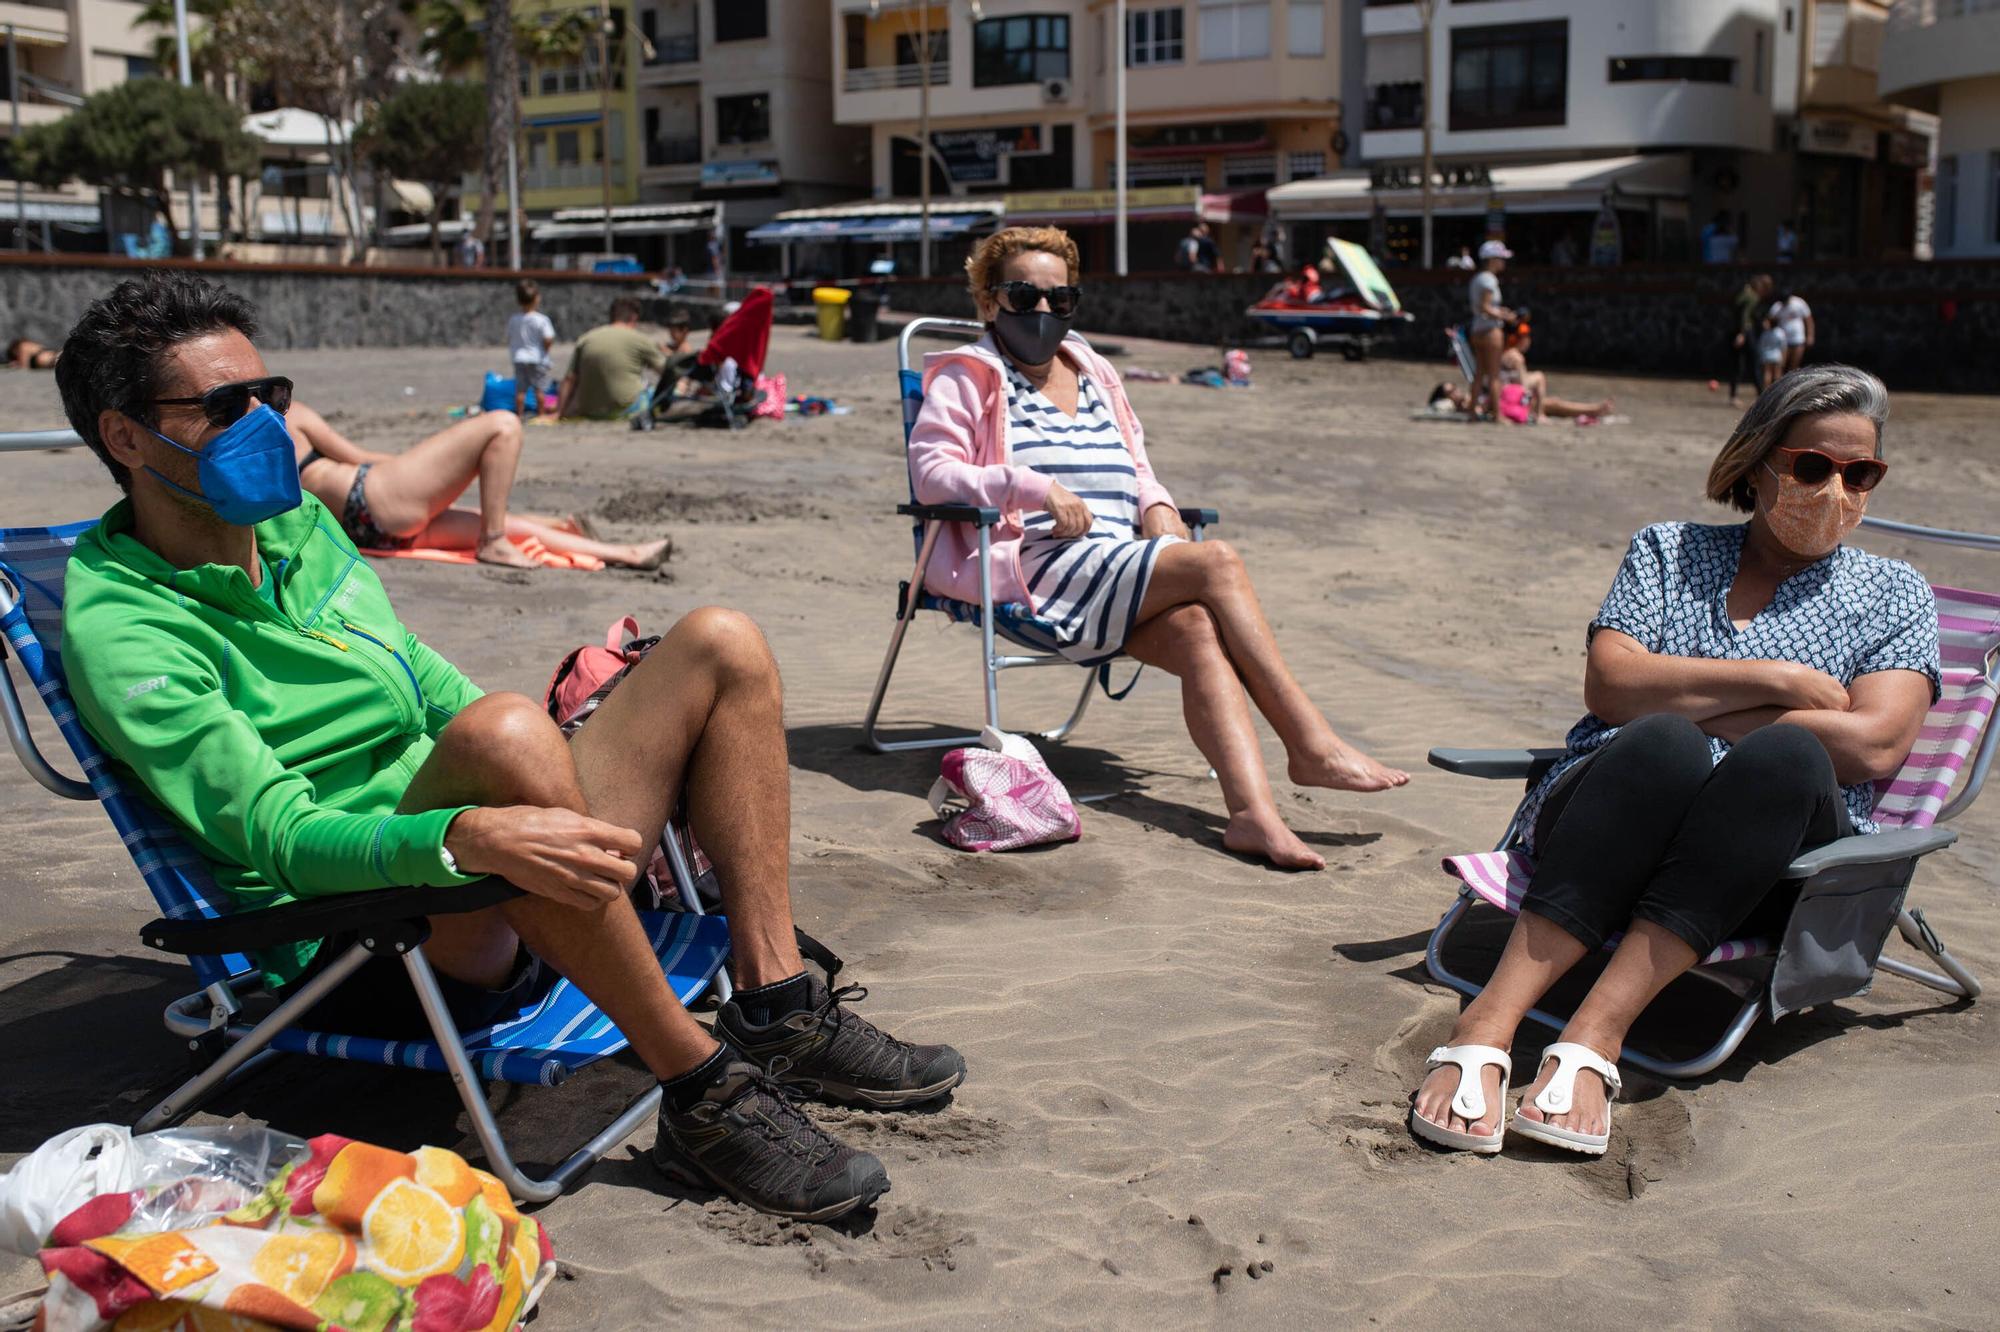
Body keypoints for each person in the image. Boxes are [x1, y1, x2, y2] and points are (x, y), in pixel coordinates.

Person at [53, 273, 965, 1221]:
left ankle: (777, 1008)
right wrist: (464, 838)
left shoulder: (297, 527)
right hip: (362, 938)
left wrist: (544, 779)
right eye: (224, 407)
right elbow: (276, 834)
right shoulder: (123, 627)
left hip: (490, 859)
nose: (265, 426)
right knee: (501, 730)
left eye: (269, 397)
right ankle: (704, 1091)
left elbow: (421, 681)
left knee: (718, 642)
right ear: (126, 435)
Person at [1409, 365, 1936, 1157]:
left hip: (1764, 866)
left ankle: (1595, 1035)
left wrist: (1691, 695)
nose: (1838, 490)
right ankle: (1486, 1020)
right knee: (1664, 743)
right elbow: (1613, 686)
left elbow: (1873, 744)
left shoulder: (1896, 594)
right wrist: (1779, 682)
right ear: (1758, 462)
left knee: (1786, 756)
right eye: (1812, 466)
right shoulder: (1667, 551)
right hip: (1607, 819)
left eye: (1861, 472)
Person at [908, 227, 1408, 871]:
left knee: (1199, 626)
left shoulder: (1094, 368)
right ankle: (1310, 742)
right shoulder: (970, 375)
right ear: (986, 301)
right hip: (1038, 567)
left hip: (1117, 564)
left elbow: (1138, 464)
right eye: (1022, 296)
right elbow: (932, 474)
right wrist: (1032, 487)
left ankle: (1253, 817)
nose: (1042, 313)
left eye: (1059, 301)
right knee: (1217, 560)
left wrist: (1158, 506)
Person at [289, 401, 670, 569]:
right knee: (503, 425)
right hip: (376, 497)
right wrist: (420, 468)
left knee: (512, 525)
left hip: (366, 532)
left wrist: (418, 469)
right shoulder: (287, 413)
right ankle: (494, 543)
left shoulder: (241, 437)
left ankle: (627, 553)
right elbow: (357, 457)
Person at [557, 296, 668, 420]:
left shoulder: (586, 338)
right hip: (625, 409)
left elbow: (569, 379)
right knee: (653, 390)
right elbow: (667, 371)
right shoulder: (640, 339)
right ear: (634, 317)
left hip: (590, 411)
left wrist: (560, 413)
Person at [1498, 326, 1614, 424]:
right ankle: (1592, 410)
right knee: (1552, 399)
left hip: (1505, 399)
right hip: (1512, 402)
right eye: (1526, 337)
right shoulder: (1516, 357)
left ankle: (1593, 409)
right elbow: (1524, 386)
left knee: (1554, 403)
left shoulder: (1504, 353)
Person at [1467, 240, 1515, 423]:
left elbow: (1481, 308)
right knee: (1494, 375)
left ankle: (1472, 412)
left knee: (1479, 373)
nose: (1503, 262)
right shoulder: (1489, 279)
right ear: (1492, 259)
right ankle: (1498, 415)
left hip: (1477, 329)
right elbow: (1486, 307)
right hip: (1490, 331)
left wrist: (1500, 312)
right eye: (1501, 258)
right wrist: (1504, 316)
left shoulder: (1477, 278)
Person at [506, 279, 557, 419]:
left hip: (519, 358)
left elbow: (509, 338)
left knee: (520, 390)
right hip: (537, 358)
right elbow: (548, 338)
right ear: (536, 299)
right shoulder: (542, 320)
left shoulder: (514, 319)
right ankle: (540, 414)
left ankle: (519, 414)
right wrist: (545, 349)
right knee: (540, 389)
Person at [1727, 273, 1775, 405]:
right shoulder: (1752, 297)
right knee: (1753, 363)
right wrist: (1742, 334)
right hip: (1745, 333)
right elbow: (1744, 315)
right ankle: (1761, 396)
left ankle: (1734, 396)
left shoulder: (1743, 293)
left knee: (1737, 364)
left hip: (1737, 331)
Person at [1770, 289, 1814, 373]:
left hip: (1798, 338)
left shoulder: (1799, 303)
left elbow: (1808, 320)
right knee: (1781, 365)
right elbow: (1770, 321)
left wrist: (1810, 335)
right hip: (1783, 340)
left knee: (1794, 365)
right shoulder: (1777, 306)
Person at [1756, 312, 1788, 391]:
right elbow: (1783, 346)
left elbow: (1761, 345)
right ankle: (1778, 390)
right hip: (1777, 355)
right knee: (1777, 374)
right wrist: (1784, 358)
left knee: (1767, 374)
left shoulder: (1765, 333)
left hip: (1766, 355)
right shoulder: (1780, 333)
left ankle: (1766, 390)